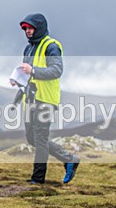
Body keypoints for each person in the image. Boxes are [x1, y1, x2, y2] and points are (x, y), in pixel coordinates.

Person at [11, 13, 80, 184]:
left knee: (40, 138)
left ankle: (37, 180)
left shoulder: (52, 46)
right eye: (25, 28)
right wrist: (17, 85)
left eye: (30, 28)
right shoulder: (28, 48)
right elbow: (26, 75)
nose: (27, 31)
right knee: (31, 138)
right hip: (30, 100)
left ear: (39, 27)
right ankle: (69, 158)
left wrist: (33, 70)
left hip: (46, 100)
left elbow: (57, 70)